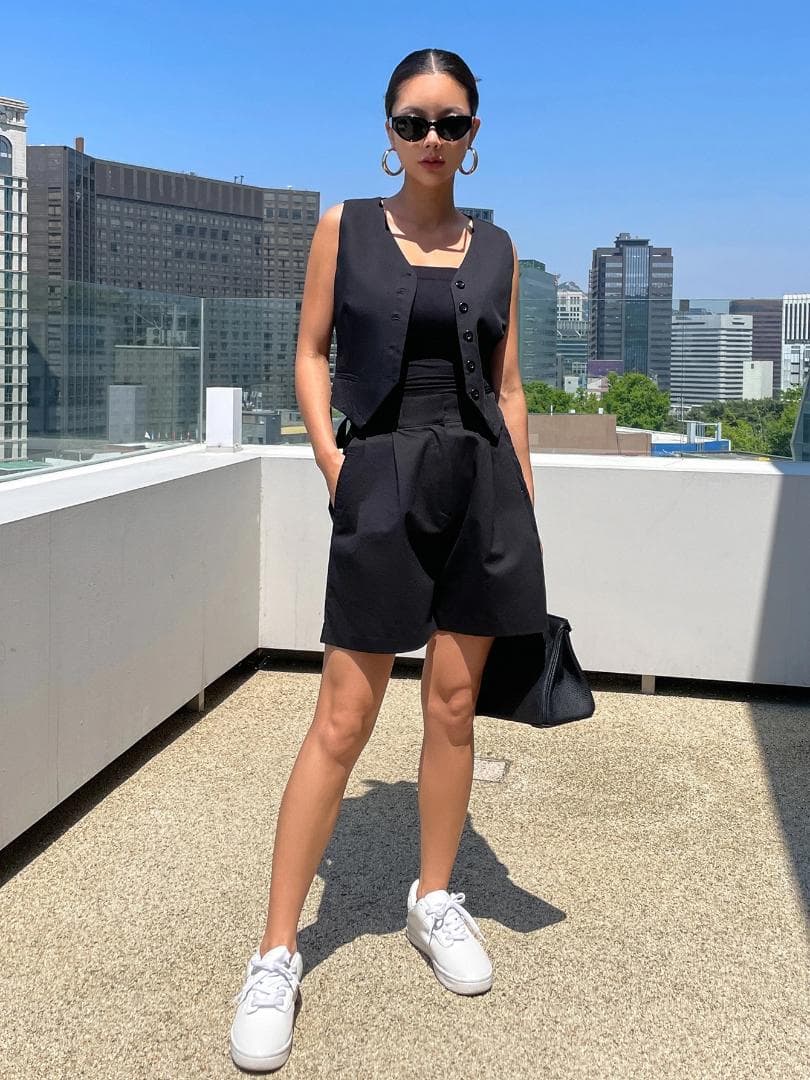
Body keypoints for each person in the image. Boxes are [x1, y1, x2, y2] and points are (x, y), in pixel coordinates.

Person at [229, 47, 549, 1073]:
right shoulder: (345, 227)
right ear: (389, 131)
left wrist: (523, 502)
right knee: (342, 717)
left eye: (450, 123)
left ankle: (434, 898)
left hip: (481, 489)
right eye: (414, 122)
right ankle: (276, 952)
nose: (431, 140)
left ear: (474, 134)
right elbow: (308, 353)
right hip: (379, 480)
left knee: (452, 707)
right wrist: (337, 466)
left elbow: (508, 388)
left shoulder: (497, 248)